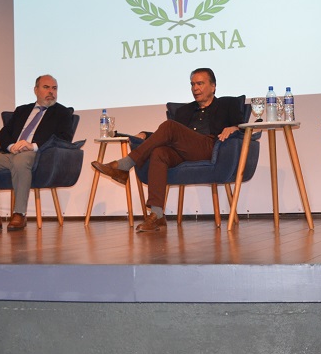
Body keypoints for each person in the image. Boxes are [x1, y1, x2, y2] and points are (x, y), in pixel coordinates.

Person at [92, 68, 244, 232]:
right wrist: (145, 134)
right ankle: (157, 215)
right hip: (183, 152)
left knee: (170, 126)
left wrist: (234, 128)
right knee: (160, 153)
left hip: (210, 148)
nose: (195, 88)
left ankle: (125, 164)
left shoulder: (227, 104)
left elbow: (243, 128)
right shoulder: (184, 111)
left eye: (200, 83)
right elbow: (169, 136)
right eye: (192, 84)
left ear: (213, 86)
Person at [0, 74, 74, 232]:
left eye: (54, 88)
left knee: (21, 160)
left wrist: (33, 146)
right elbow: (3, 134)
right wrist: (11, 146)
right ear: (36, 90)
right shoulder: (22, 110)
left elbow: (64, 138)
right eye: (46, 87)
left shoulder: (62, 112)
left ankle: (19, 213)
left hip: (38, 155)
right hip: (12, 153)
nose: (51, 92)